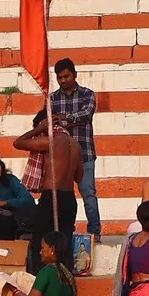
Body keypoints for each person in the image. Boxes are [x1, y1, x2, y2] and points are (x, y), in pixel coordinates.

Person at [13, 109, 81, 254]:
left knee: (40, 243)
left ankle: (41, 275)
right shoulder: (75, 144)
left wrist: (40, 128)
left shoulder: (51, 141)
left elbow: (18, 143)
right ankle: (64, 275)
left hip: (52, 197)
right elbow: (79, 177)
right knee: (64, 246)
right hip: (69, 198)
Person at [50, 58, 101, 237]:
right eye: (59, 77)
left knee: (88, 196)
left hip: (84, 154)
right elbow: (49, 121)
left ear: (74, 75)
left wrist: (65, 119)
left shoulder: (88, 94)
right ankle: (65, 233)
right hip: (61, 157)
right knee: (63, 198)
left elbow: (86, 115)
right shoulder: (52, 98)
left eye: (66, 76)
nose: (63, 80)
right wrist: (70, 119)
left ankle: (95, 234)